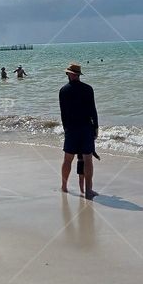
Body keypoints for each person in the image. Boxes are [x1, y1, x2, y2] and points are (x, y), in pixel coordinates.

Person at [59, 63, 98, 199]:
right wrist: (96, 128)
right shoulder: (88, 89)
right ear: (78, 75)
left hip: (71, 129)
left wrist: (66, 129)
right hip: (86, 128)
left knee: (67, 159)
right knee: (88, 160)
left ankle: (64, 187)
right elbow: (93, 110)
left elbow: (63, 114)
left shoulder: (63, 90)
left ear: (69, 74)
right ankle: (88, 191)